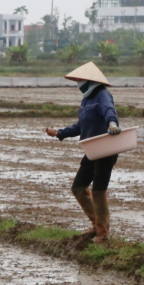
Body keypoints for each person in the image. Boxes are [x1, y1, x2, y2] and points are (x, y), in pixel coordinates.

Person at [45, 62, 121, 243]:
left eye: (80, 80)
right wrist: (60, 132)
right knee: (78, 188)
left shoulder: (102, 95)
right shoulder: (86, 100)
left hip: (105, 148)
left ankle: (102, 233)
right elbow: (81, 126)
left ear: (89, 81)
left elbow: (109, 111)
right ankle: (95, 224)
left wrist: (112, 124)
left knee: (98, 190)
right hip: (91, 149)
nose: (78, 83)